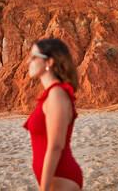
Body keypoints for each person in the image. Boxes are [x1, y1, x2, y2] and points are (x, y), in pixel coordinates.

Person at [23, 38, 83, 191]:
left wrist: (44, 189)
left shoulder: (57, 94)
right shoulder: (51, 94)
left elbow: (56, 146)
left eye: (33, 57)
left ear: (49, 62)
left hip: (62, 179)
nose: (28, 62)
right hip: (54, 181)